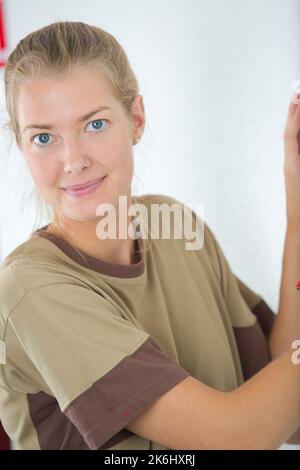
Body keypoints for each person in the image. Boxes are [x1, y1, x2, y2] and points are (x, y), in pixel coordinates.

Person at [0, 21, 299, 451]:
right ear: (22, 146)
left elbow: (281, 406)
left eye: (95, 125)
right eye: (44, 137)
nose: (73, 161)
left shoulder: (175, 225)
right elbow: (236, 437)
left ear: (136, 119)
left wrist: (297, 200)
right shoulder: (30, 290)